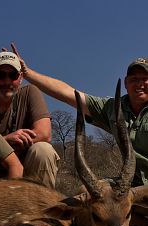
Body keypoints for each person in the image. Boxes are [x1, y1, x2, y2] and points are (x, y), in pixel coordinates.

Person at [10, 43, 148, 187]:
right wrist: (27, 73)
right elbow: (68, 93)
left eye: (145, 78)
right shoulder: (112, 108)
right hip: (131, 184)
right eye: (134, 79)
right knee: (87, 194)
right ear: (126, 83)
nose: (139, 84)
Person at [0, 51, 60, 188]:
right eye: (1, 75)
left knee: (43, 150)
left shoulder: (30, 92)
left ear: (20, 77)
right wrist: (6, 140)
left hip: (26, 173)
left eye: (13, 75)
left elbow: (44, 134)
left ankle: (42, 206)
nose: (7, 81)